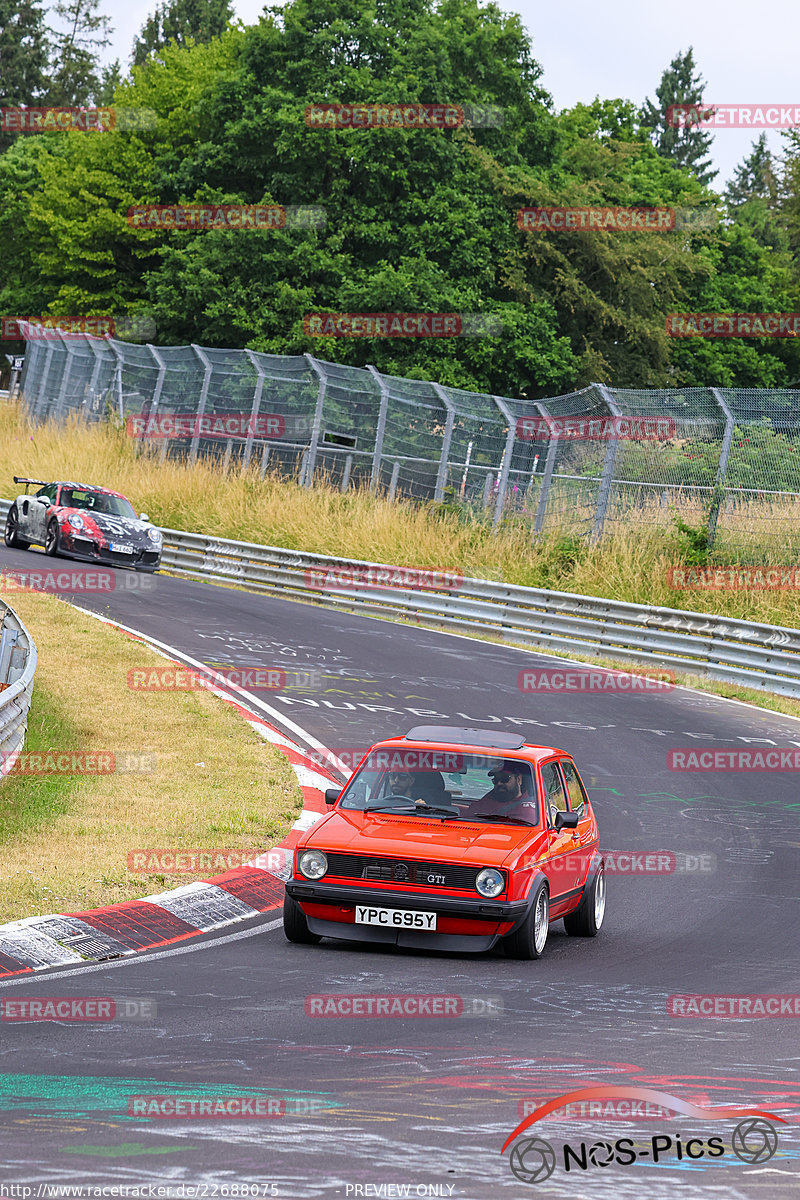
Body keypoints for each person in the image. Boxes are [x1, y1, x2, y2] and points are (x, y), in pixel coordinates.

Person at [470, 760, 538, 823]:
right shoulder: (493, 795)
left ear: (518, 779)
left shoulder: (526, 811)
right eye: (495, 780)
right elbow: (471, 812)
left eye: (504, 778)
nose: (499, 783)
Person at [384, 768, 449, 807]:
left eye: (402, 776)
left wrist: (424, 810)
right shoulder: (380, 805)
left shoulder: (428, 801)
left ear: (411, 781)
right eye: (392, 775)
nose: (396, 780)